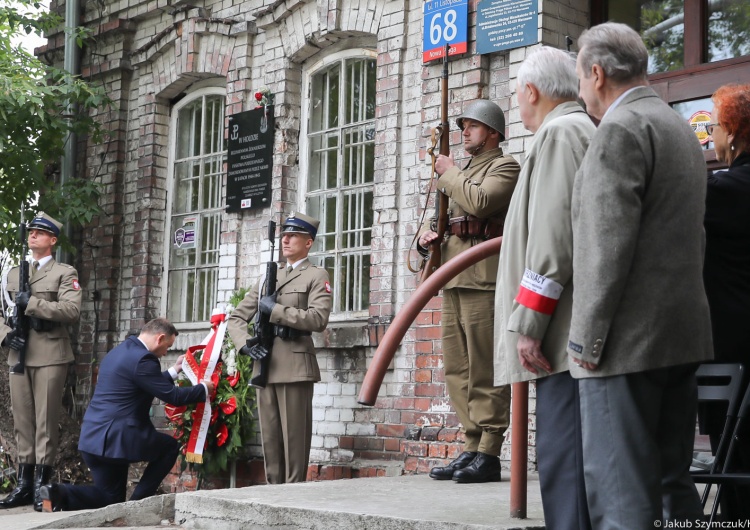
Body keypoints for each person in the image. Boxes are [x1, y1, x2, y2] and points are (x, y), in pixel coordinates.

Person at [568, 22, 713, 528]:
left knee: (621, 493)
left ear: (597, 72)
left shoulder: (620, 130)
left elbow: (604, 247)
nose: (581, 91)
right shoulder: (678, 128)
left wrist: (585, 340)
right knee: (673, 485)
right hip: (680, 337)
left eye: (580, 80)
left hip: (625, 346)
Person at [494, 46, 594, 529]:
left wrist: (529, 324)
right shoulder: (581, 129)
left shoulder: (558, 134)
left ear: (531, 91)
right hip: (574, 329)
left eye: (517, 95)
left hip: (558, 339)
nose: (518, 105)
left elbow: (553, 241)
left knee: (562, 461)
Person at [419, 100, 520, 483]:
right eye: (463, 125)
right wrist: (429, 239)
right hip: (453, 278)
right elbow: (443, 221)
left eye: (473, 126)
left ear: (493, 132)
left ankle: (490, 452)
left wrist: (449, 172)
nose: (465, 131)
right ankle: (472, 445)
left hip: (484, 278)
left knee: (485, 368)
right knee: (457, 370)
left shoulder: (504, 165)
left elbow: (480, 202)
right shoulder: (462, 171)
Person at [37, 318, 214, 512]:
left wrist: (175, 370)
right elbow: (173, 396)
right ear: (160, 337)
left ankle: (54, 494)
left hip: (93, 439)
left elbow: (144, 383)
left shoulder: (119, 352)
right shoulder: (144, 359)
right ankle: (138, 504)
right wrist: (203, 389)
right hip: (117, 439)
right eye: (167, 346)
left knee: (110, 499)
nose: (165, 352)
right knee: (169, 447)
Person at [227, 212, 332, 484]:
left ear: (308, 242)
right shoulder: (267, 278)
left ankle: (294, 494)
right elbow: (237, 318)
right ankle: (273, 493)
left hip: (295, 365)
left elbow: (318, 319)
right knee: (271, 439)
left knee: (295, 439)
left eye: (293, 235)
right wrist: (245, 345)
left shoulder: (316, 275)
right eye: (284, 234)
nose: (285, 239)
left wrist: (275, 310)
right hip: (265, 364)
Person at [0, 212, 82, 511]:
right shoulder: (11, 274)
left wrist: (32, 303)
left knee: (46, 423)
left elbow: (71, 311)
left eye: (40, 232)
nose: (33, 235)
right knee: (22, 421)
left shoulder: (64, 272)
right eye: (31, 231)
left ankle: (42, 487)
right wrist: (6, 336)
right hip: (18, 353)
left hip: (49, 354)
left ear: (53, 240)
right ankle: (23, 484)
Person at [701, 83, 750, 520]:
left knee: (732, 452)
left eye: (715, 127)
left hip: (729, 343)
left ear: (733, 135)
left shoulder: (721, 191)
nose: (711, 137)